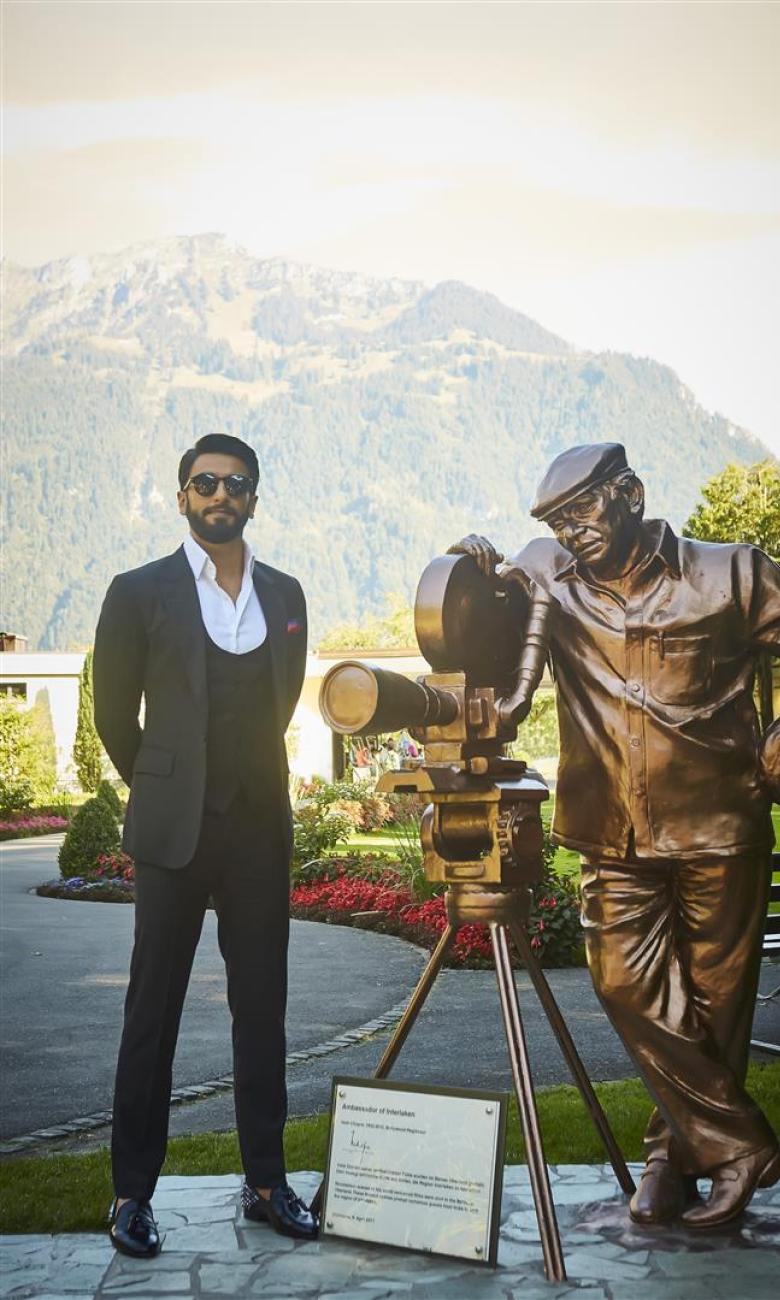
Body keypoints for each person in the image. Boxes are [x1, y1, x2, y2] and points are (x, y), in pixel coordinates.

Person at [452, 442, 780, 1229]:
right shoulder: (548, 576)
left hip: (719, 822)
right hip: (612, 829)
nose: (570, 531)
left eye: (581, 511)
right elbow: (487, 644)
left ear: (630, 493)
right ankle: (743, 1147)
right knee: (623, 982)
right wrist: (471, 575)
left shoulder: (731, 572)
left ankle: (671, 1157)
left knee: (713, 1005)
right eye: (556, 522)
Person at [93, 432, 316, 1257]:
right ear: (182, 494)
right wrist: (163, 785)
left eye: (236, 483)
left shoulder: (285, 593)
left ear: (254, 497)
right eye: (206, 481)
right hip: (173, 833)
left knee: (262, 1009)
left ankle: (267, 1183)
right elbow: (112, 713)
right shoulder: (137, 591)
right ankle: (131, 1195)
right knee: (151, 1010)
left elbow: (282, 699)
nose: (221, 494)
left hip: (258, 827)